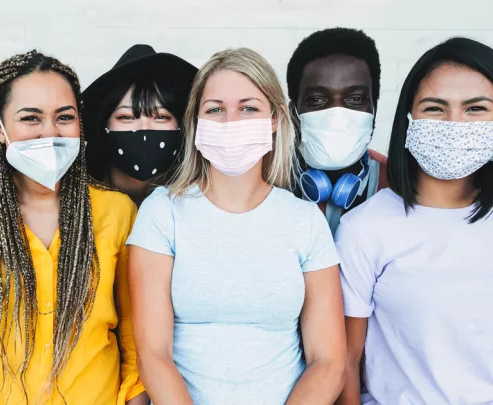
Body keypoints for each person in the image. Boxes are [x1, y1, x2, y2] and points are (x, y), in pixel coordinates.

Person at [127, 47, 346, 404]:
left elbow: (329, 361)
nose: (231, 121)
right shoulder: (161, 213)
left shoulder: (305, 221)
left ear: (274, 119)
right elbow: (153, 354)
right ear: (196, 122)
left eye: (248, 108)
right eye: (215, 109)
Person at [0, 50, 148, 405]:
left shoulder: (117, 211)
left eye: (64, 117)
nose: (50, 131)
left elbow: (132, 336)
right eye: (31, 118)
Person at [336, 37, 493, 405]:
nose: (455, 123)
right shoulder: (365, 228)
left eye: (476, 109)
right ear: (408, 118)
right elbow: (346, 358)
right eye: (435, 108)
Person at [286, 28, 385, 233]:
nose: (337, 119)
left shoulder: (397, 184)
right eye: (317, 100)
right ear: (293, 111)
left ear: (374, 109)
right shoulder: (265, 180)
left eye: (356, 99)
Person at [83, 44, 197, 205]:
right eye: (126, 117)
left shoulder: (197, 203)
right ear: (103, 126)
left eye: (161, 117)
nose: (144, 128)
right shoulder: (76, 203)